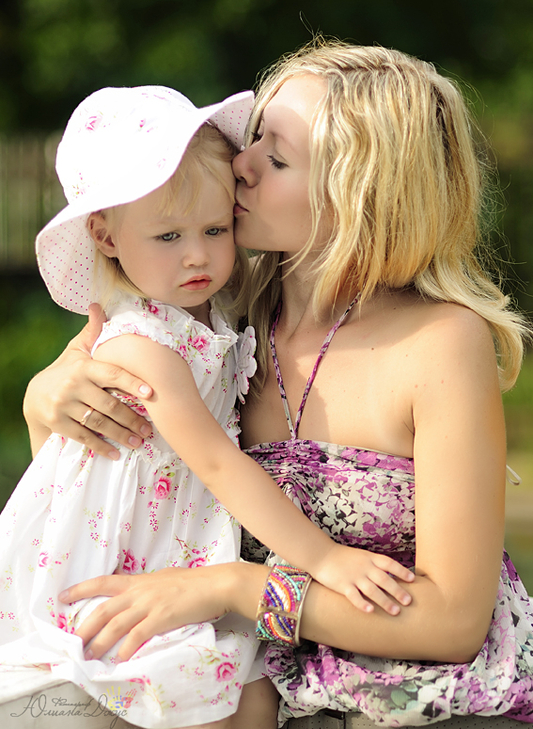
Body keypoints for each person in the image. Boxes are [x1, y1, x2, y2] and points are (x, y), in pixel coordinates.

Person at [22, 42, 533, 727]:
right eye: (256, 136)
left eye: (278, 157)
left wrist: (236, 587)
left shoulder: (439, 342)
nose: (241, 161)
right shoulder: (210, 322)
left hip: (424, 704)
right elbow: (89, 482)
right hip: (239, 690)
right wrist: (44, 402)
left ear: (357, 194)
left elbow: (451, 624)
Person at [0, 83, 416, 729]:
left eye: (215, 228)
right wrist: (327, 559)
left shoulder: (215, 310)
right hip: (125, 548)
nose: (197, 254)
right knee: (186, 686)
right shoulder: (143, 343)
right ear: (105, 236)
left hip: (183, 538)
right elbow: (220, 465)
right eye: (168, 235)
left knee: (253, 690)